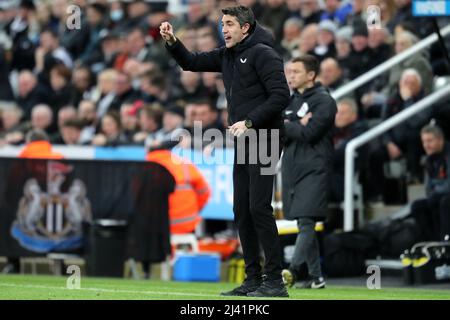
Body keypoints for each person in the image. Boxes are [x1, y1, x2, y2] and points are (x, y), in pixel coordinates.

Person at [160, 5, 290, 297]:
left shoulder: (263, 54)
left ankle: (275, 281)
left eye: (229, 24)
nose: (224, 29)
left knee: (259, 208)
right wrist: (172, 41)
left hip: (266, 138)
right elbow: (191, 63)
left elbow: (282, 95)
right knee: (241, 211)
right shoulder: (227, 55)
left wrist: (249, 121)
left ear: (245, 28)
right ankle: (253, 279)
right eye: (222, 24)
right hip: (244, 140)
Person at [281, 55, 337, 289]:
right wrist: (295, 123)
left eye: (296, 71)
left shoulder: (324, 102)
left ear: (311, 75)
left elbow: (309, 134)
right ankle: (316, 278)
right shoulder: (289, 101)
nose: (290, 76)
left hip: (315, 166)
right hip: (292, 166)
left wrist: (286, 124)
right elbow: (281, 131)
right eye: (289, 71)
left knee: (306, 219)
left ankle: (292, 271)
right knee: (304, 220)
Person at [409, 124, 450, 241]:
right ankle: (430, 241)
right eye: (424, 141)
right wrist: (433, 195)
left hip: (446, 197)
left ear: (440, 140)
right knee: (417, 206)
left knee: (444, 202)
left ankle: (446, 239)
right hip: (438, 196)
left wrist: (435, 194)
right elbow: (428, 187)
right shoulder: (428, 159)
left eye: (430, 141)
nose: (426, 145)